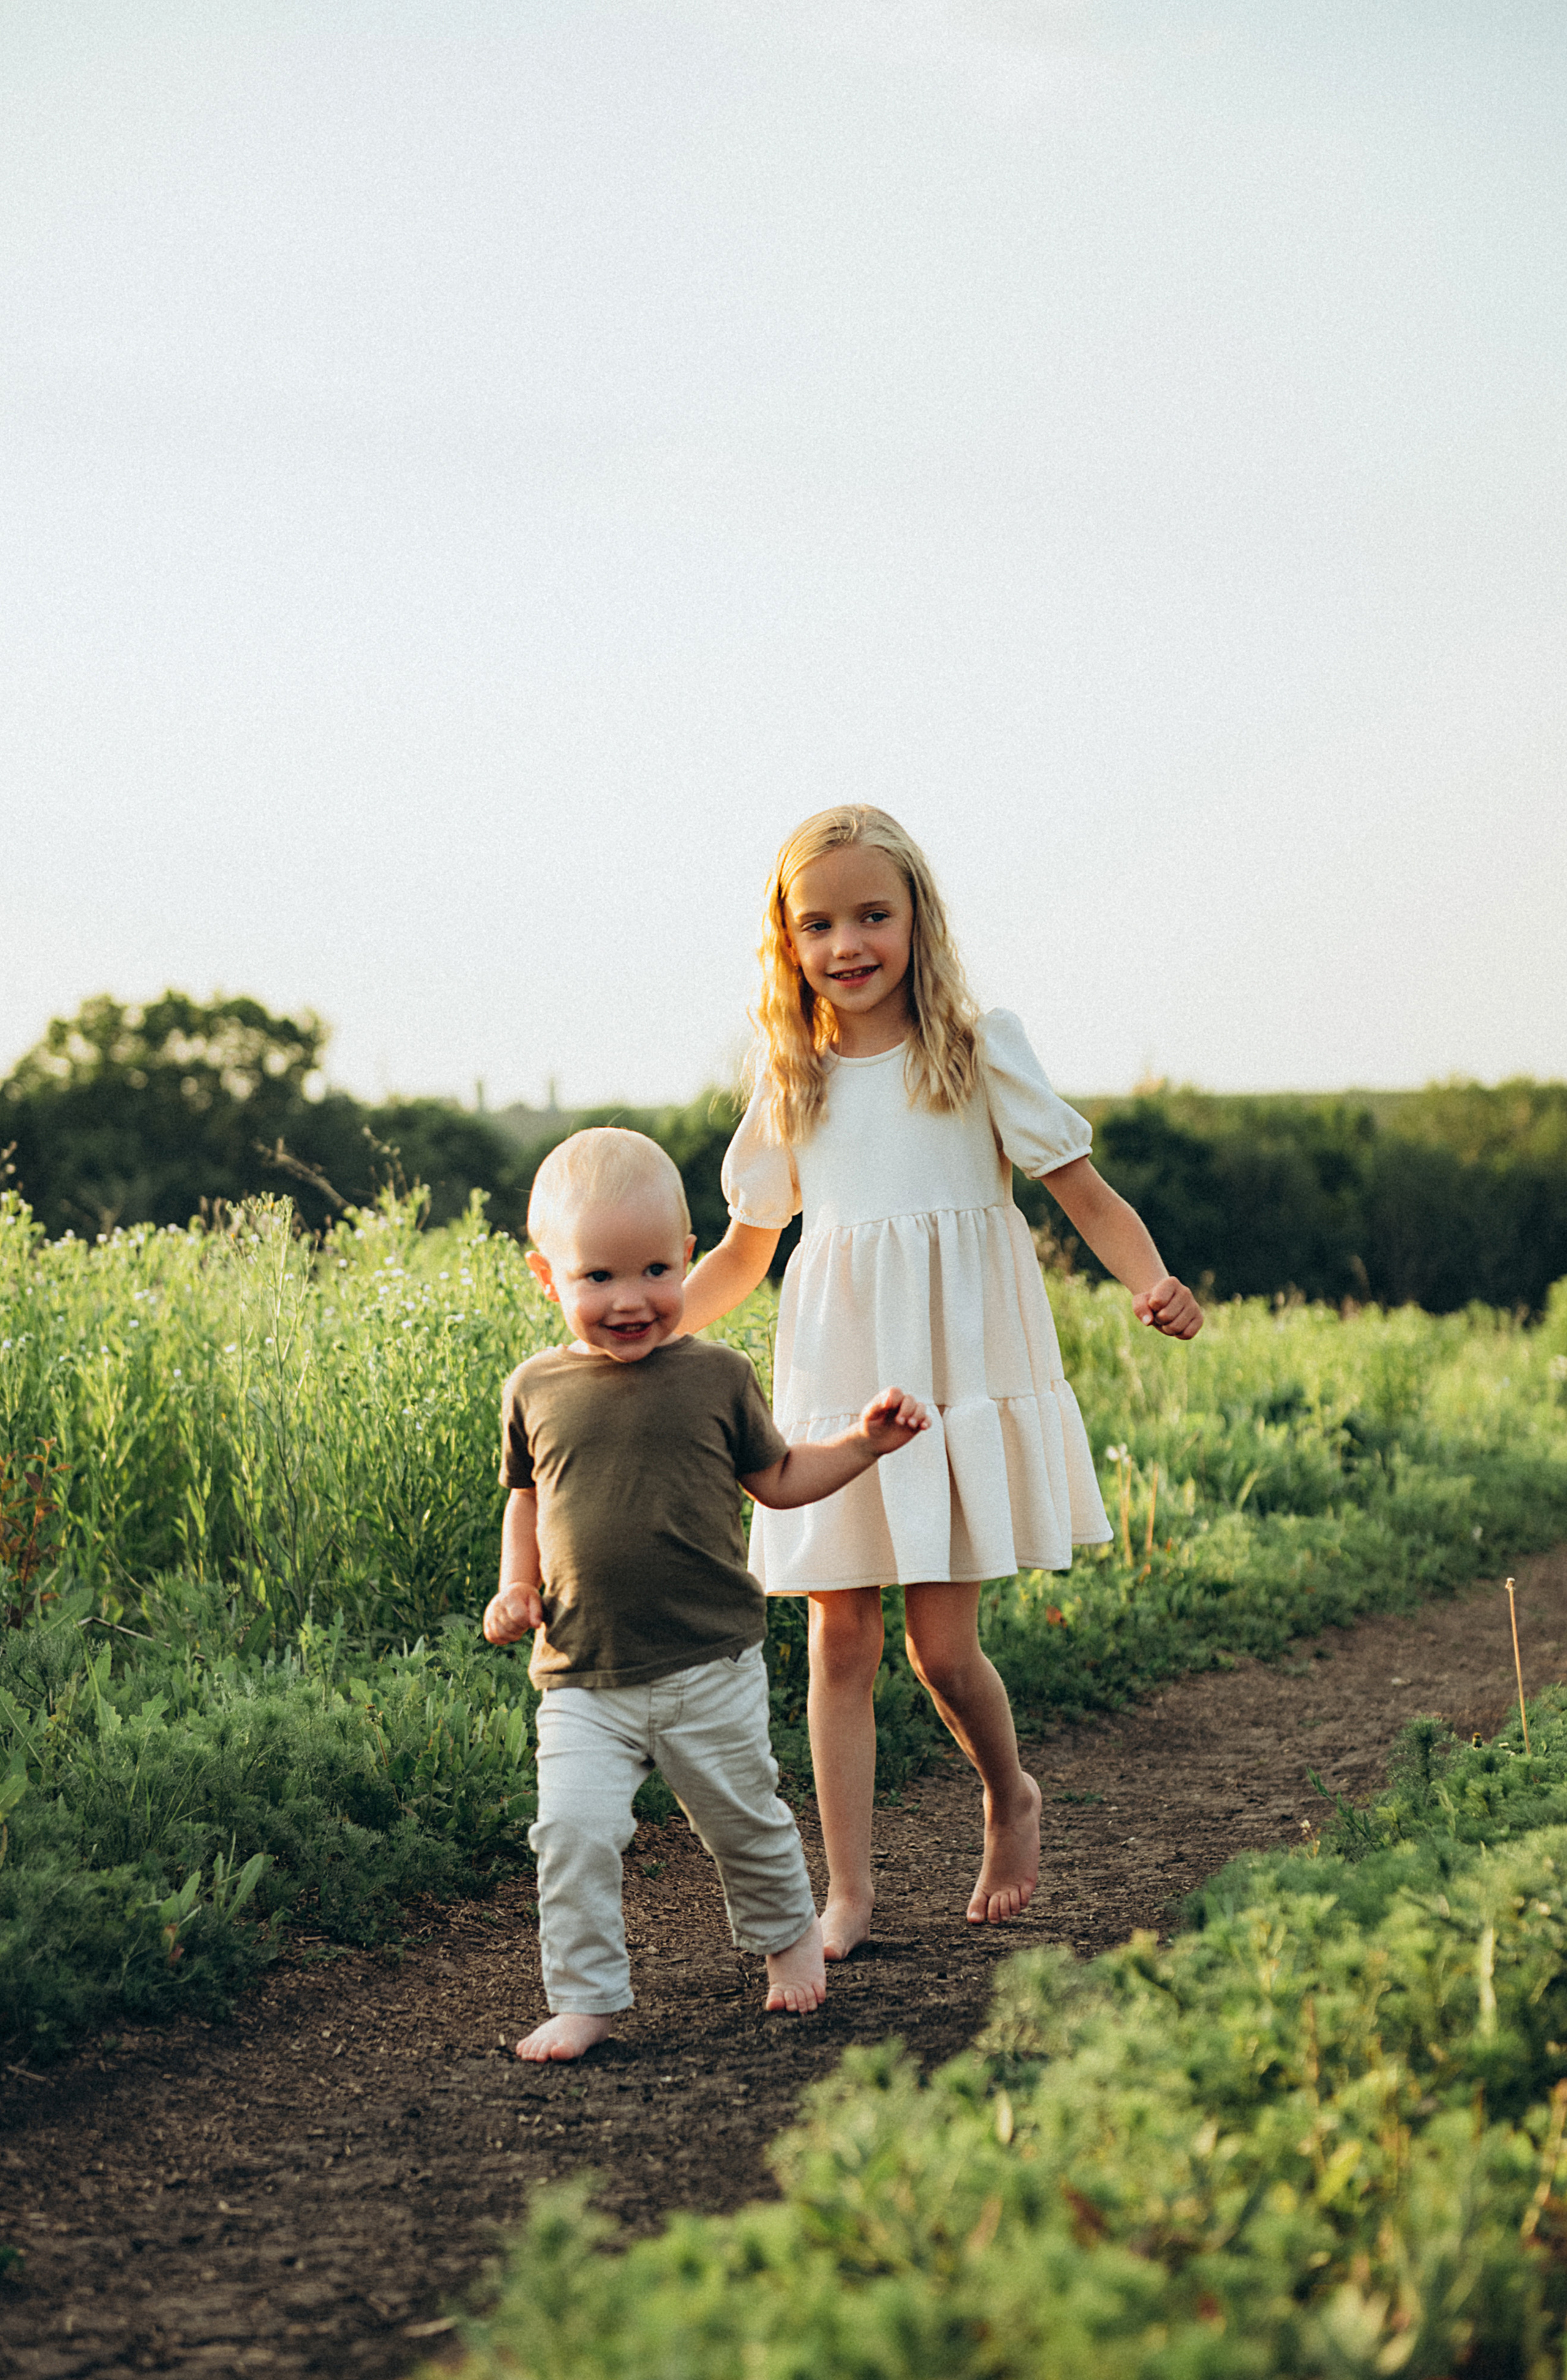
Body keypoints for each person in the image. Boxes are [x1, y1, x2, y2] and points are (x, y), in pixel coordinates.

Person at [678, 806, 1203, 1963]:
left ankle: (1010, 1794)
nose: (849, 943)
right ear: (788, 938)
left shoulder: (977, 1045)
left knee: (944, 1651)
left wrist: (1153, 1281)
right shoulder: (791, 1073)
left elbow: (1087, 1194)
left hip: (957, 1371)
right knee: (839, 1643)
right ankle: (851, 1894)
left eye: (875, 913)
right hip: (842, 1376)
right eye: (819, 923)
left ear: (918, 917)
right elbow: (744, 1251)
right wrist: (649, 1323)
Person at [484, 1124, 930, 2063]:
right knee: (569, 1832)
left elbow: (779, 1480)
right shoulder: (534, 1391)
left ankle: (788, 1940)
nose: (631, 1299)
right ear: (545, 1276)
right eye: (597, 1277)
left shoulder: (718, 1376)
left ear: (689, 1257)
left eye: (654, 1268)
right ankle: (587, 1997)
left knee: (744, 1821)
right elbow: (526, 1503)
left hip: (707, 1663)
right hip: (581, 1673)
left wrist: (862, 1445)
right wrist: (514, 1587)